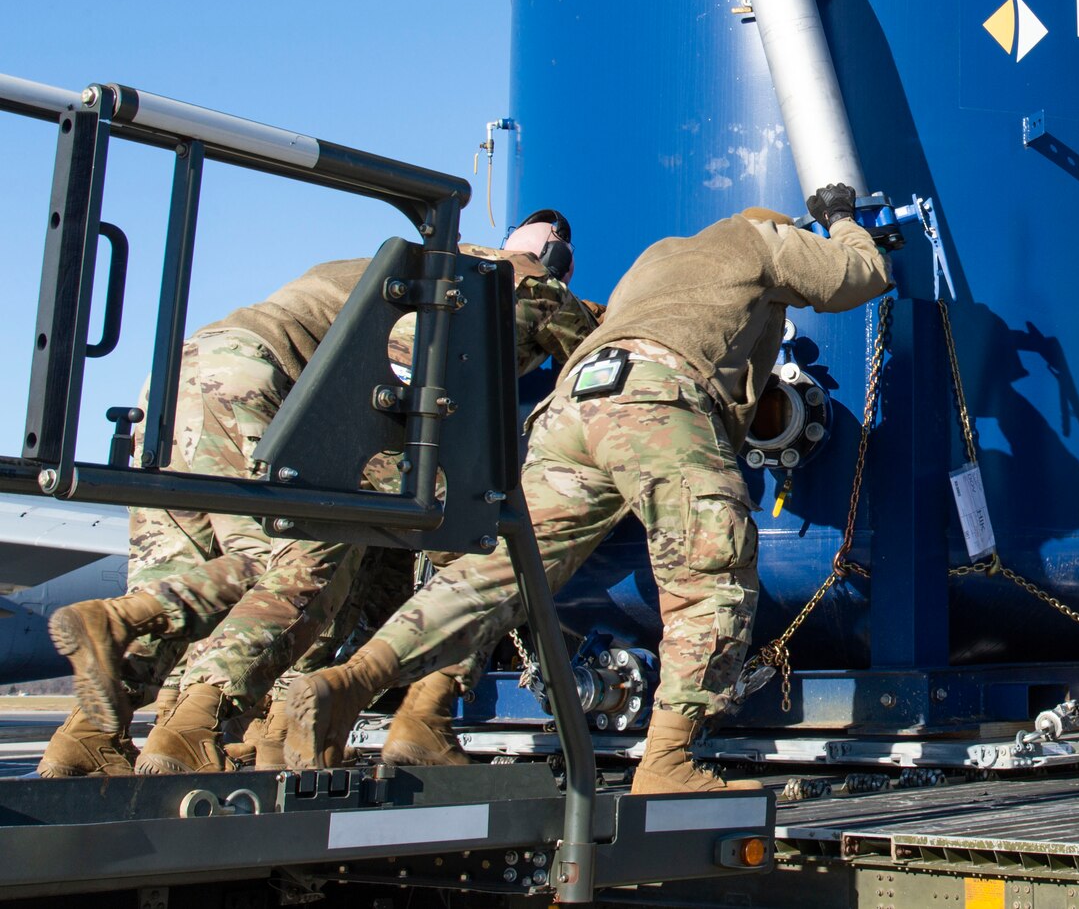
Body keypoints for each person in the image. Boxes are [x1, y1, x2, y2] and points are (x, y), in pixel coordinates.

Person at [283, 191, 892, 794]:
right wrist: (842, 222)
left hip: (573, 406)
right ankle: (670, 760)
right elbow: (858, 278)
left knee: (501, 569)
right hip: (657, 395)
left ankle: (353, 680)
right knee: (712, 566)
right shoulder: (760, 238)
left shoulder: (659, 256)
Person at [42, 214, 598, 777]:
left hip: (177, 378)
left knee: (195, 566)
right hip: (253, 382)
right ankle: (186, 706)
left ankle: (92, 735)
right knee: (304, 561)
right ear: (555, 262)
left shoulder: (412, 263)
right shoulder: (505, 279)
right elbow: (603, 344)